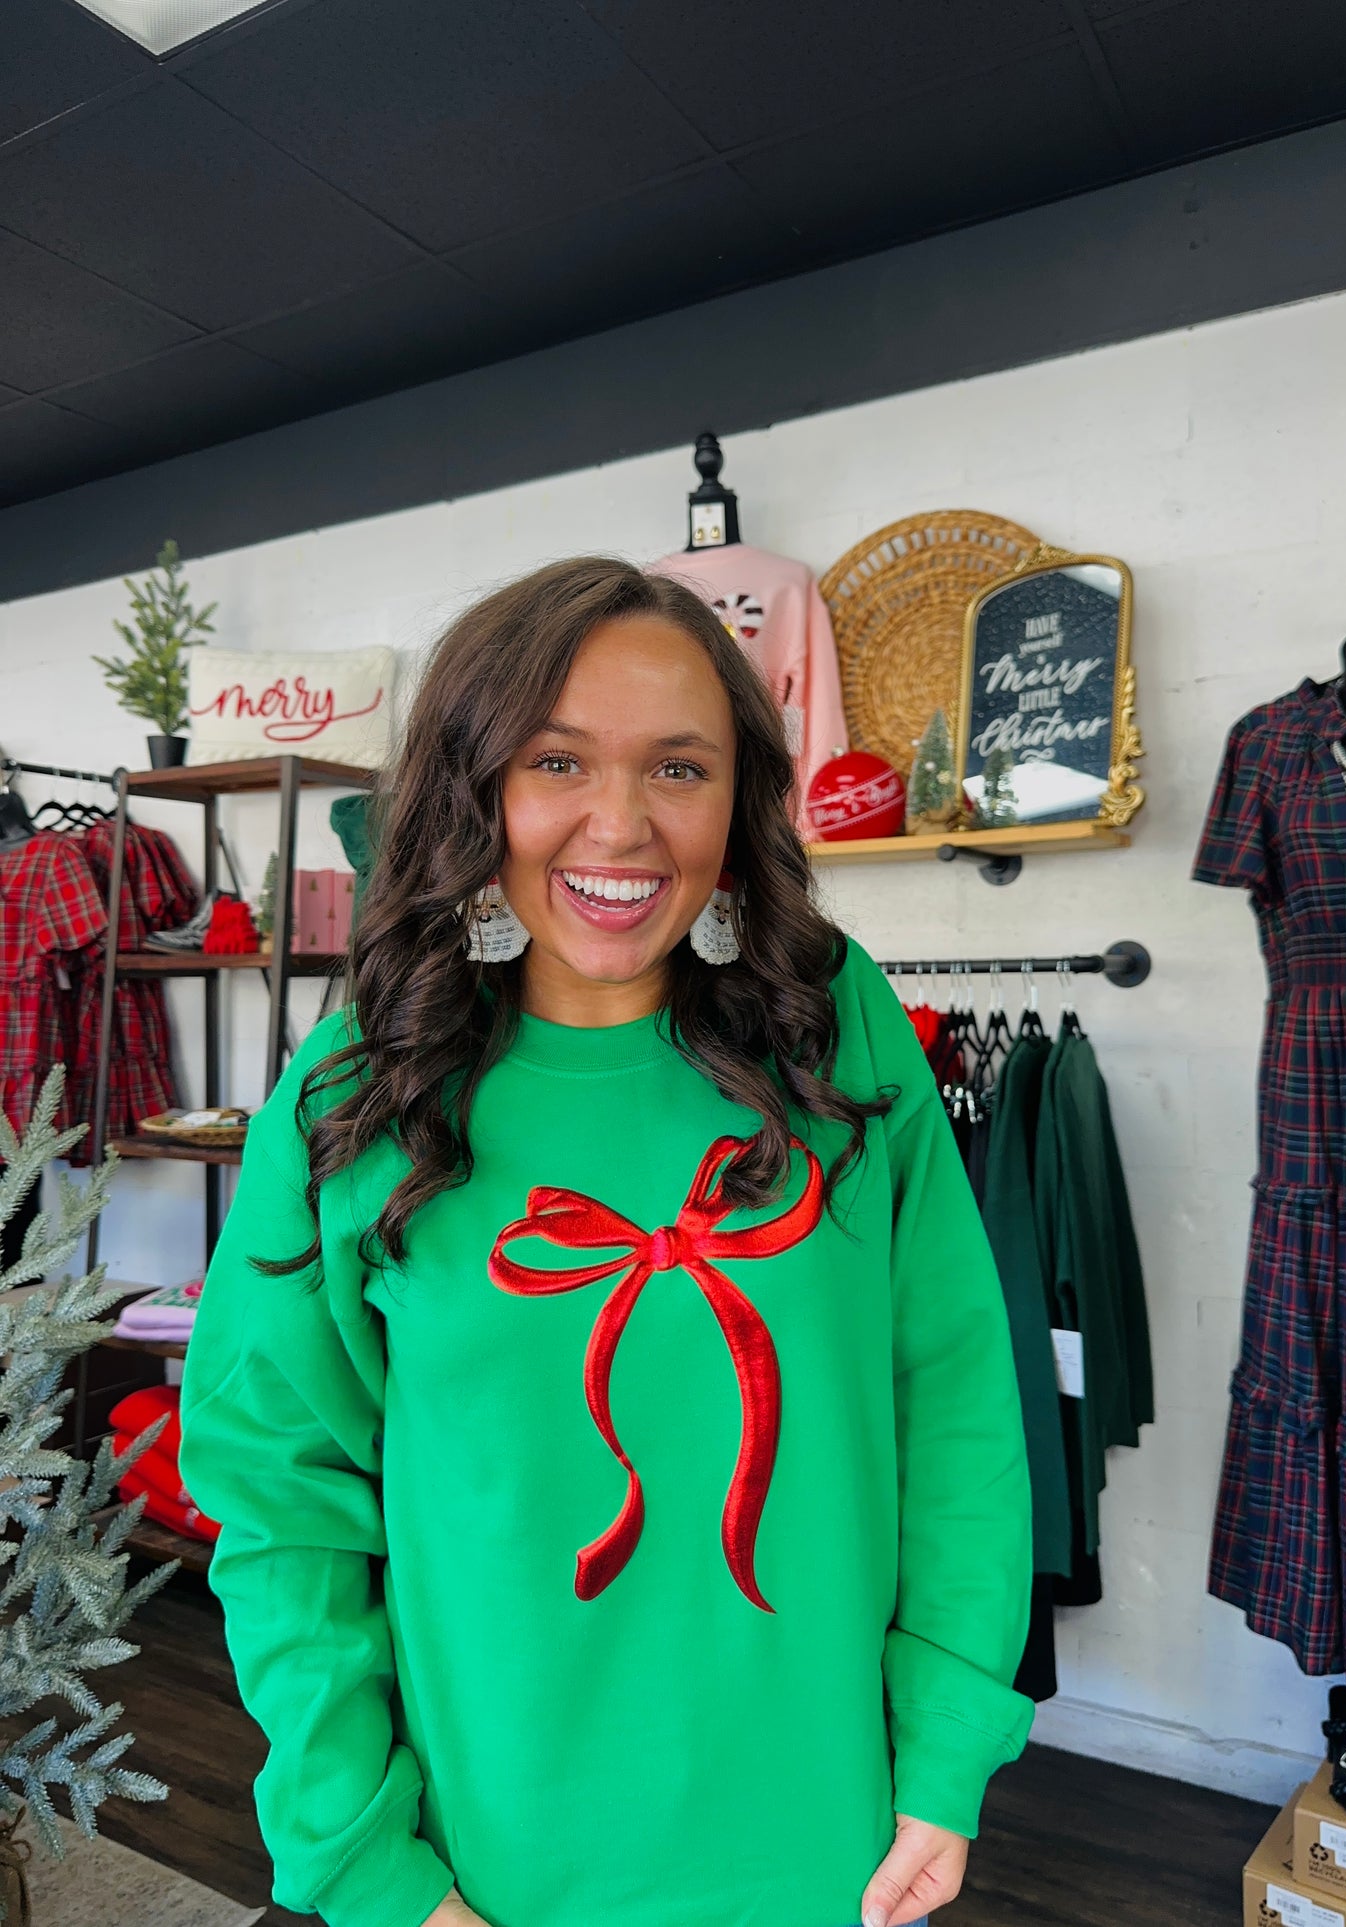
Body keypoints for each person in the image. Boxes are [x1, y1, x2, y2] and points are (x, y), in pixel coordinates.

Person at [178, 557, 1033, 1927]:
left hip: (831, 1840)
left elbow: (950, 1399)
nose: (623, 826)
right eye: (557, 761)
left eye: (679, 769)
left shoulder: (835, 1027)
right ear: (473, 786)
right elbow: (281, 1497)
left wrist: (942, 1754)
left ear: (738, 796)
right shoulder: (355, 1093)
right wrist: (363, 1858)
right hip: (495, 1865)